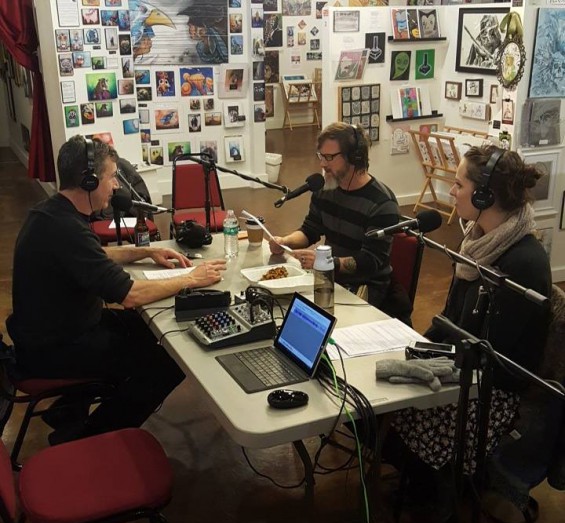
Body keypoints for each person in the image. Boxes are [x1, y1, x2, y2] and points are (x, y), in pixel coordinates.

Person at [7, 135, 226, 444]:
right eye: (111, 177)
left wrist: (145, 252)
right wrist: (192, 278)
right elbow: (131, 295)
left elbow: (93, 254)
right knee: (168, 362)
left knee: (147, 328)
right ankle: (89, 437)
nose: (115, 186)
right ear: (89, 180)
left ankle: (67, 409)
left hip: (51, 334)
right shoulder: (66, 229)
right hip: (54, 350)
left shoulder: (51, 213)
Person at [386, 146, 552, 517]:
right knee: (377, 399)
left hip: (491, 390)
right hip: (465, 367)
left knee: (387, 418)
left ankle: (438, 488)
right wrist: (414, 350)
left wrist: (425, 365)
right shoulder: (478, 243)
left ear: (484, 196)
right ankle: (427, 481)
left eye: (459, 184)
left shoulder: (523, 263)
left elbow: (493, 354)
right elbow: (449, 320)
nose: (451, 192)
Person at [269, 122, 410, 321]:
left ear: (354, 157)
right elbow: (310, 229)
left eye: (329, 157)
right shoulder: (325, 189)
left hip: (367, 291)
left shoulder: (382, 203)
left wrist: (326, 263)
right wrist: (285, 241)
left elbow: (370, 261)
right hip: (331, 280)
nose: (322, 164)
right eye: (321, 156)